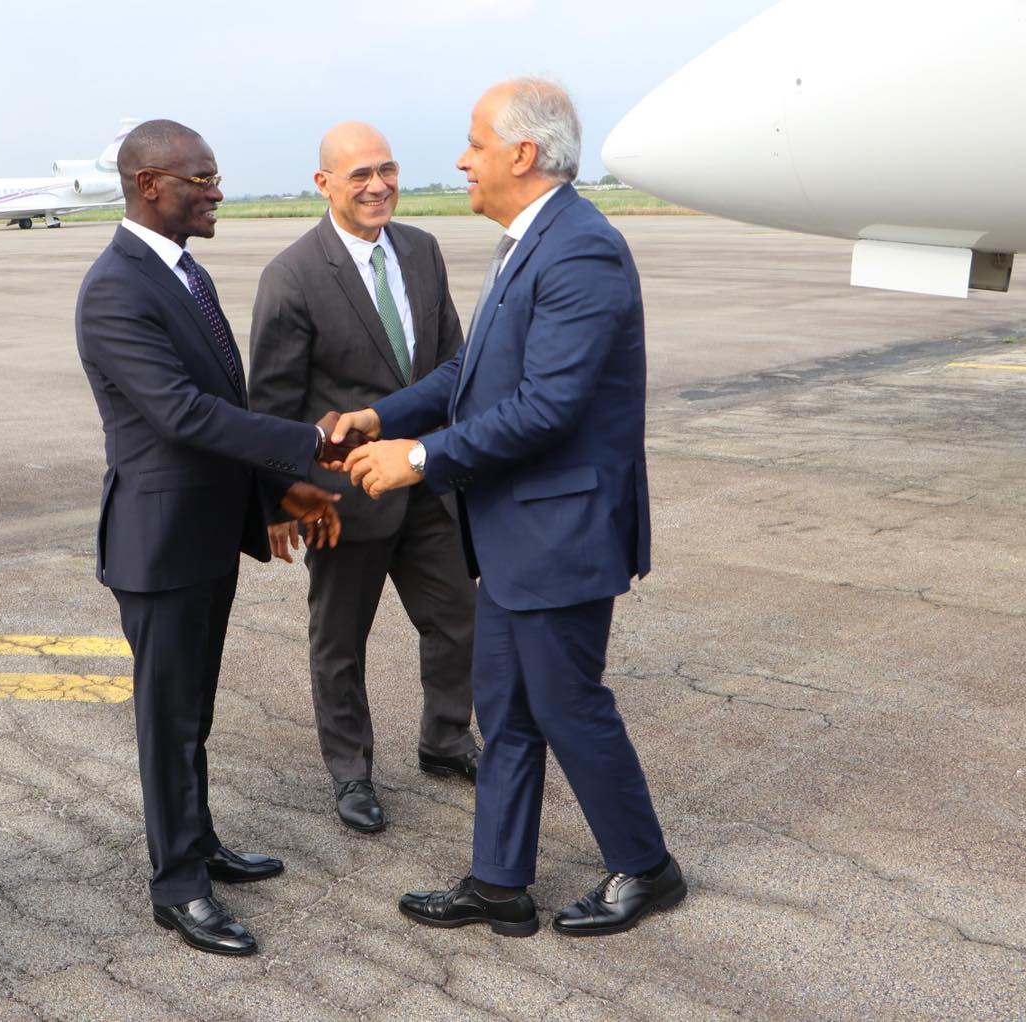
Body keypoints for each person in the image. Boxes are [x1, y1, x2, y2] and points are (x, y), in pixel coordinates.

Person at [332, 79, 685, 938]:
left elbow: (547, 407)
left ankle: (646, 867)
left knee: (567, 706)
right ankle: (499, 882)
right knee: (507, 706)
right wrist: (388, 414)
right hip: (515, 530)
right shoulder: (530, 241)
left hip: (560, 530)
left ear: (523, 155)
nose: (462, 159)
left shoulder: (580, 251)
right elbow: (473, 372)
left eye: (475, 143)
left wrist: (417, 459)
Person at [75, 119, 349, 957]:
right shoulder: (116, 287)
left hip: (204, 536)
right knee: (168, 718)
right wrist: (309, 443)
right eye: (201, 178)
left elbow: (223, 402)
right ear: (151, 184)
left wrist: (277, 487)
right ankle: (178, 887)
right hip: (159, 546)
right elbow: (183, 415)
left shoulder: (182, 274)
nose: (216, 191)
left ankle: (198, 843)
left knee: (192, 712)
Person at [248, 122, 478, 834]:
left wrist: (438, 455)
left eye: (387, 170)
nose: (378, 185)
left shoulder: (422, 250)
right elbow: (274, 404)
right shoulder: (292, 276)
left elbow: (453, 365)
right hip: (344, 500)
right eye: (359, 175)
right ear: (325, 184)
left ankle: (445, 741)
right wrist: (281, 495)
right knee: (340, 641)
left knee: (459, 623)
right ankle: (352, 773)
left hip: (425, 480)